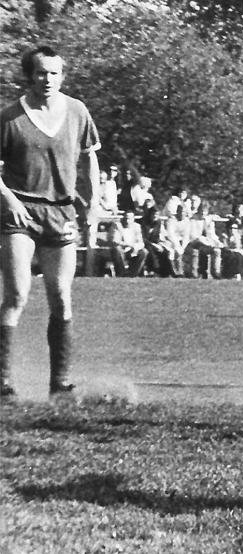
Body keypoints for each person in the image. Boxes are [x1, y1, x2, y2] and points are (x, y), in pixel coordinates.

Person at [1, 46, 101, 399]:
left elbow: (90, 159)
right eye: (41, 73)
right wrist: (8, 198)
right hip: (21, 214)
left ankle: (60, 383)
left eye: (54, 73)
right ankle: (3, 382)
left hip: (62, 213)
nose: (48, 79)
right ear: (30, 75)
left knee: (61, 296)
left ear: (63, 76)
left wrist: (95, 204)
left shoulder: (77, 111)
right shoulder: (10, 117)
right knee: (16, 295)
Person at [107, 211, 149, 277]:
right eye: (126, 218)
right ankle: (122, 273)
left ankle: (133, 274)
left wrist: (135, 247)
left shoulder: (137, 226)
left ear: (133, 219)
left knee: (144, 252)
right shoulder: (117, 225)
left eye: (129, 218)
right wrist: (128, 245)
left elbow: (141, 242)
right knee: (117, 249)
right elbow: (115, 241)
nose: (127, 220)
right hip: (121, 249)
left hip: (132, 250)